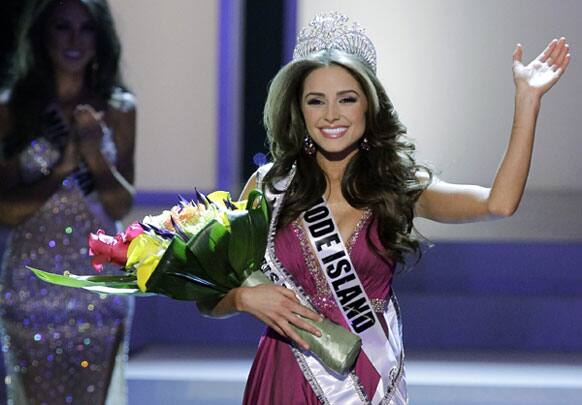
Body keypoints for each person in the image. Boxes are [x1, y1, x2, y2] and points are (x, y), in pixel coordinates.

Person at [202, 12, 570, 405]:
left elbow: (500, 202)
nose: (331, 115)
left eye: (347, 99)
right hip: (284, 376)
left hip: (365, 380)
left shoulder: (398, 186)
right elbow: (209, 296)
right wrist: (243, 298)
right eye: (316, 101)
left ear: (369, 106)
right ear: (299, 108)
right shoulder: (269, 187)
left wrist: (527, 103)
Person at [0, 0, 136, 403]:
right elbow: (6, 209)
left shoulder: (118, 108)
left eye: (86, 29)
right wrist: (61, 168)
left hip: (98, 285)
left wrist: (93, 156)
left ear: (101, 38)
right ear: (44, 35)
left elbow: (119, 206)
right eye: (63, 28)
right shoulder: (11, 109)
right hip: (31, 285)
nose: (75, 40)